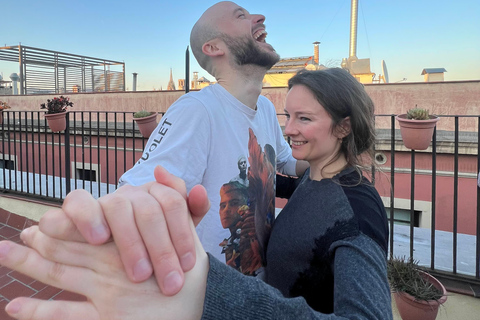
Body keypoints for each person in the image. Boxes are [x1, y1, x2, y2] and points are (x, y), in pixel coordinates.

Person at [0, 68, 392, 319]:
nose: (287, 129)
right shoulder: (314, 179)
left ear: (343, 128)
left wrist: (208, 292)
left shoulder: (357, 209)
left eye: (304, 119)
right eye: (287, 116)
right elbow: (272, 178)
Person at [87, 0, 307, 294]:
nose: (259, 16)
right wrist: (121, 212)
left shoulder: (265, 108)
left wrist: (335, 158)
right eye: (241, 15)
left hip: (258, 286)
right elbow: (141, 189)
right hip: (209, 294)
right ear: (214, 47)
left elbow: (285, 161)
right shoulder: (197, 110)